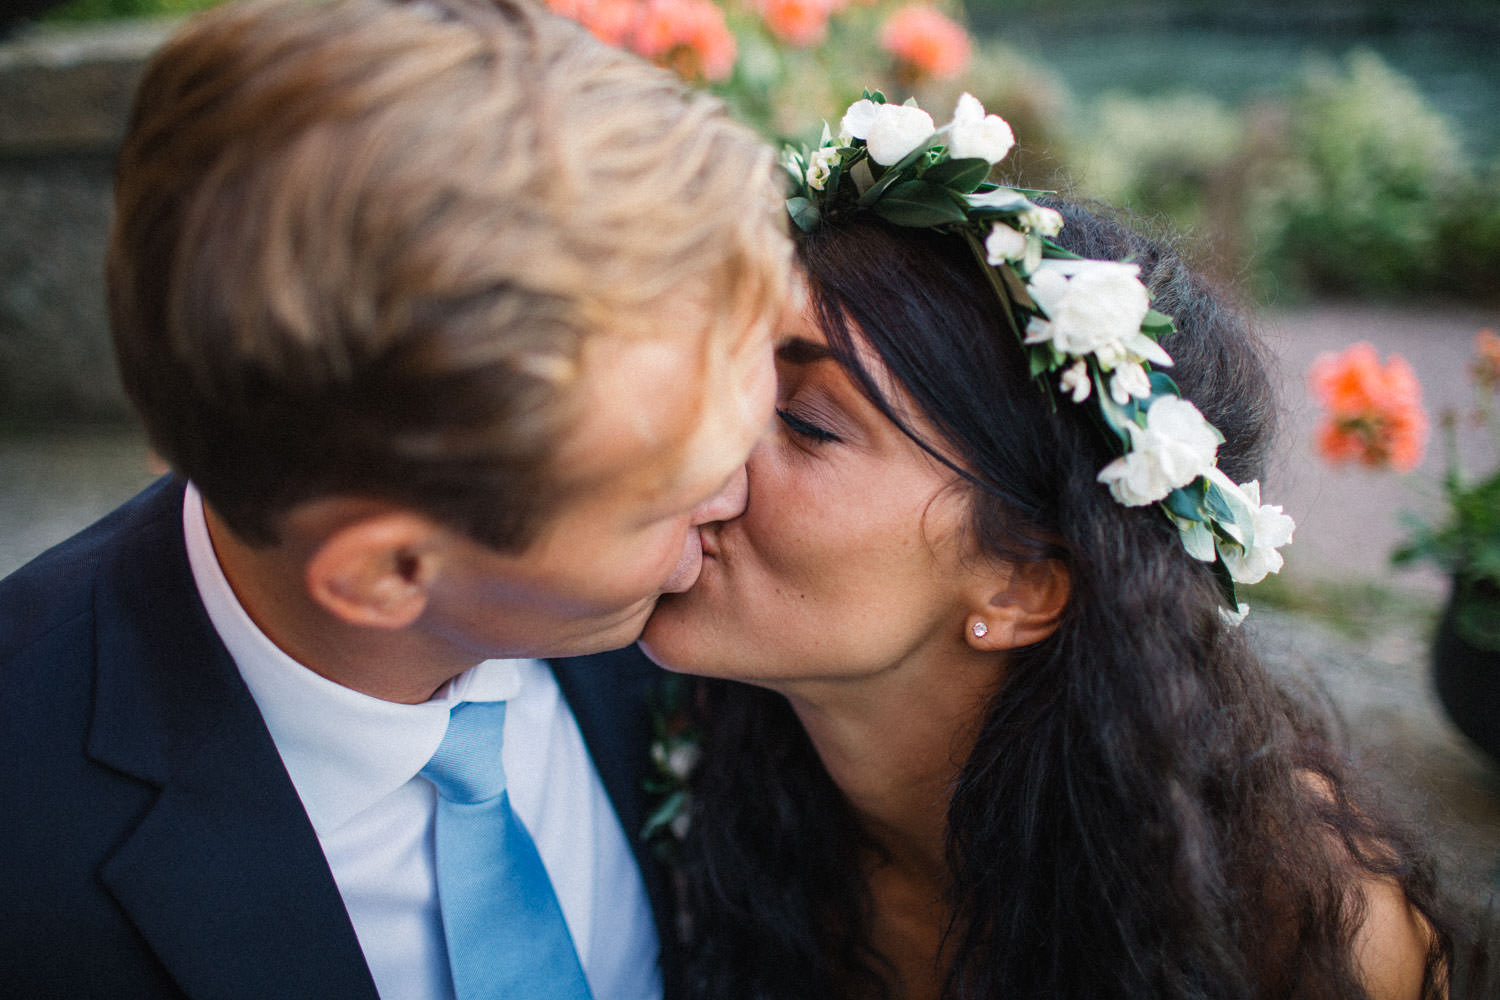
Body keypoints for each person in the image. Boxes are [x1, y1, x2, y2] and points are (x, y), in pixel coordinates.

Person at [0, 0, 790, 997]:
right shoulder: (27, 874)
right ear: (388, 572)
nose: (747, 494)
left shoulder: (724, 635)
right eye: (671, 493)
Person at [640, 94, 1466, 999]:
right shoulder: (657, 745)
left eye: (802, 422)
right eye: (731, 373)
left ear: (1028, 582)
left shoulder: (1298, 932)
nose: (699, 437)